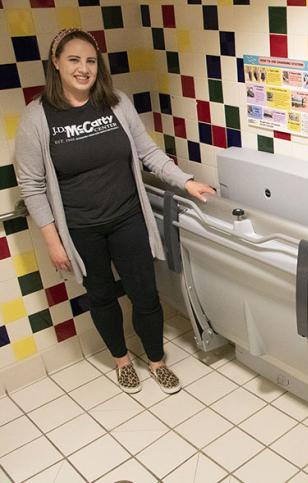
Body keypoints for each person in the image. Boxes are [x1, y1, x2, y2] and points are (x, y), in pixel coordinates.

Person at [15, 28, 215, 395]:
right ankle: (122, 361)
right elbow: (32, 185)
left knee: (145, 294)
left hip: (127, 219)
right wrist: (53, 241)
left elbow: (148, 153)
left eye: (91, 61)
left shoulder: (116, 103)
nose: (83, 68)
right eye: (74, 59)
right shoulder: (37, 118)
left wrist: (186, 182)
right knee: (102, 296)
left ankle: (156, 361)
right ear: (56, 64)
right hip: (80, 228)